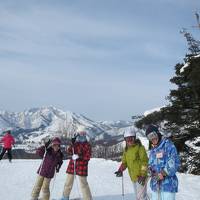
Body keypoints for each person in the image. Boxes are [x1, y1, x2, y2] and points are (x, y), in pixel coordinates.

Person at [146, 125, 180, 200]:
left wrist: (163, 173)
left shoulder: (168, 145)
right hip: (155, 185)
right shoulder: (153, 150)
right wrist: (149, 170)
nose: (152, 138)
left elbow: (174, 163)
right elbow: (150, 163)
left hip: (168, 185)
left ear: (157, 133)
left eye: (153, 135)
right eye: (149, 137)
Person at [115, 128, 148, 200]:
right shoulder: (126, 150)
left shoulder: (140, 148)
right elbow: (124, 162)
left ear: (135, 138)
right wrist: (120, 170)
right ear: (125, 140)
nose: (129, 141)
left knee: (142, 197)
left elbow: (145, 162)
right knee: (138, 197)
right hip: (133, 177)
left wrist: (143, 175)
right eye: (127, 139)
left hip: (140, 177)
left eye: (131, 138)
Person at [60, 126, 92, 200]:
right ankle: (65, 197)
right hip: (72, 165)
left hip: (82, 166)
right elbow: (69, 151)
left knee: (83, 184)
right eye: (80, 133)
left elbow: (88, 157)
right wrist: (72, 143)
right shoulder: (75, 143)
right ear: (77, 134)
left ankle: (87, 198)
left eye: (84, 133)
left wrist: (79, 157)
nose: (82, 135)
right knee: (68, 183)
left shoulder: (87, 145)